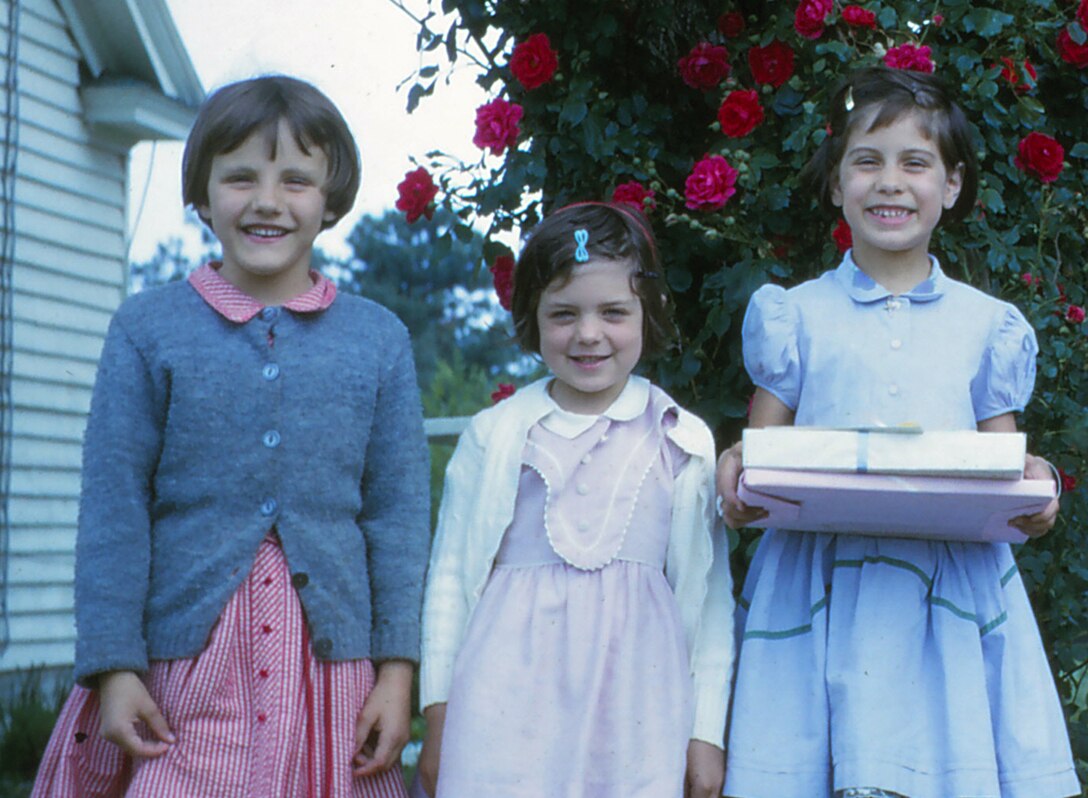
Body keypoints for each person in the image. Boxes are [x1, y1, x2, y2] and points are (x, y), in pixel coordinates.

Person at [31, 75, 429, 797]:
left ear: (331, 197)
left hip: (331, 672)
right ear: (203, 194)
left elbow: (397, 516)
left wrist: (396, 671)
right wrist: (117, 668)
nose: (267, 200)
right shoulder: (146, 330)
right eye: (240, 176)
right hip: (181, 672)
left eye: (297, 180)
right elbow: (114, 507)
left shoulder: (379, 339)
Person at [716, 66, 1080, 798]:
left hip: (945, 590)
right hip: (819, 582)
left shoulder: (985, 324)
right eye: (867, 162)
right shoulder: (798, 315)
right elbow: (762, 456)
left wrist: (1035, 488)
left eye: (915, 163)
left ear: (950, 186)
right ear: (834, 183)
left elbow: (1000, 462)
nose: (890, 182)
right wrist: (733, 472)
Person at [413, 203, 734, 798]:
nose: (589, 334)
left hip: (637, 709)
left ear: (649, 314)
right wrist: (437, 714)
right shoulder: (497, 433)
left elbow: (711, 599)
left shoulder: (679, 439)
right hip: (504, 705)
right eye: (564, 314)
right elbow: (450, 579)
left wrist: (706, 732)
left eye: (613, 312)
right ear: (533, 319)